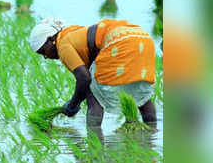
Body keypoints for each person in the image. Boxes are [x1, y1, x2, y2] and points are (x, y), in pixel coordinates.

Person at [29, 16, 157, 126]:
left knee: (92, 91)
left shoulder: (62, 45)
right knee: (139, 90)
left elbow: (84, 79)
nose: (46, 57)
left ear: (51, 39)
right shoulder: (73, 32)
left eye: (43, 52)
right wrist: (75, 102)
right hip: (141, 38)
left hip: (119, 40)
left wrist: (72, 105)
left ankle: (94, 143)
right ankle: (152, 131)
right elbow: (87, 75)